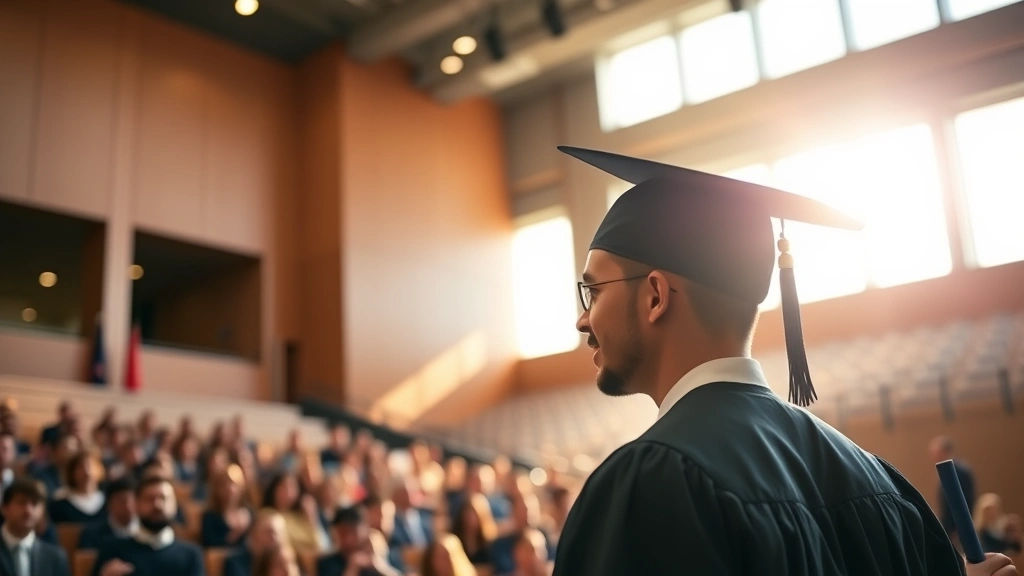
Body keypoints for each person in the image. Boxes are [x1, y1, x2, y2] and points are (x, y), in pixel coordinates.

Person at [550, 146, 1017, 576]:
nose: (582, 320)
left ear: (655, 296)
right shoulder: (882, 484)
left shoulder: (652, 484)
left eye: (593, 291)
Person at [91, 475, 204, 576]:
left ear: (175, 505)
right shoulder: (112, 550)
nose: (157, 505)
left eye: (164, 498)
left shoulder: (191, 555)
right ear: (136, 505)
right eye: (149, 499)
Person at [0, 477, 70, 576]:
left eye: (35, 503)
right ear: (4, 508)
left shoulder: (56, 558)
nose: (28, 510)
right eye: (21, 502)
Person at [931, 436, 978, 542]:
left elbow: (966, 500)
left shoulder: (960, 471)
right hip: (948, 526)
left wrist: (959, 528)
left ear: (945, 451)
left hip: (959, 528)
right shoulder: (942, 471)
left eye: (936, 452)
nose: (933, 456)